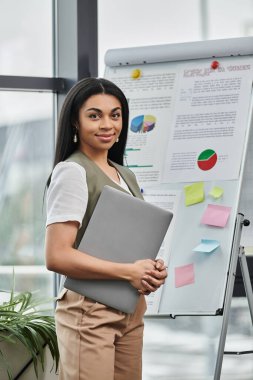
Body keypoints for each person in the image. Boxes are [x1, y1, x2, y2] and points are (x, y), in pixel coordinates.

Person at [44, 77, 168, 380]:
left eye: (115, 114)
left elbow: (126, 243)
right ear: (75, 121)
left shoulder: (124, 174)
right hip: (89, 312)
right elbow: (57, 256)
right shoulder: (72, 172)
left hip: (129, 308)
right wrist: (128, 272)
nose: (107, 124)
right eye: (94, 115)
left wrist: (150, 270)